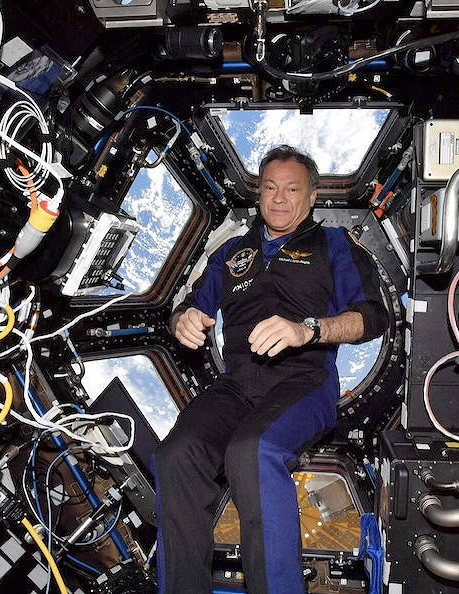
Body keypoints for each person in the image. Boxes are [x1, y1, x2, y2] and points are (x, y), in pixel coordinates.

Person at [152, 145, 388, 593]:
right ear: (258, 193)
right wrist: (182, 318)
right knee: (175, 455)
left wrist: (308, 330)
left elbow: (372, 318)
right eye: (269, 188)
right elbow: (191, 306)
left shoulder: (333, 245)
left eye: (292, 189)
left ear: (312, 197)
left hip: (305, 382)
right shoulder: (232, 252)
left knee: (253, 450)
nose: (279, 199)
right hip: (238, 386)